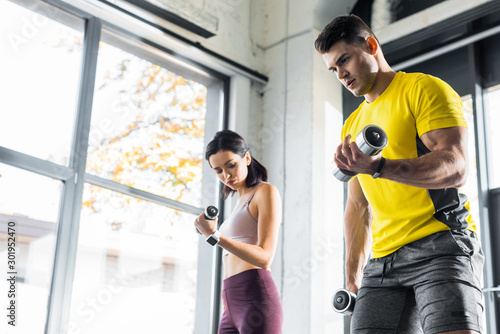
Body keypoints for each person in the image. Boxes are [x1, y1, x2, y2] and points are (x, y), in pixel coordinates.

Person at [314, 14, 484, 334]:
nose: (341, 74)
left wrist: (379, 166)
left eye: (345, 60)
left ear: (371, 45)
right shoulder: (351, 125)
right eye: (333, 69)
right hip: (382, 263)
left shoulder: (423, 89)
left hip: (440, 245)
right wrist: (352, 276)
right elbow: (358, 207)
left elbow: (456, 166)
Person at [194, 129, 283, 334]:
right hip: (230, 302)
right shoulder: (238, 202)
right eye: (218, 170)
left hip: (256, 300)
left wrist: (214, 236)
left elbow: (265, 258)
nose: (226, 176)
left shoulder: (265, 192)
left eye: (231, 165)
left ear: (247, 158)